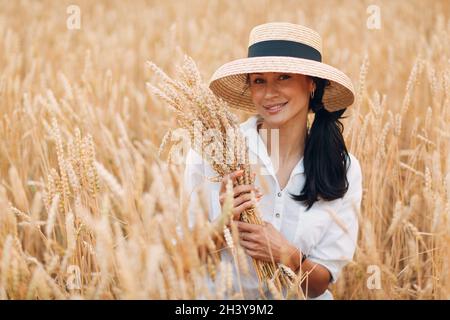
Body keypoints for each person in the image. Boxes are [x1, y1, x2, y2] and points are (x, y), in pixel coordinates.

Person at [184, 22, 363, 299]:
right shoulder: (212, 152)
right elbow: (183, 260)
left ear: (311, 84)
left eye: (283, 77)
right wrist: (222, 225)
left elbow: (320, 285)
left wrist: (287, 255)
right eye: (259, 80)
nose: (269, 93)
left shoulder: (343, 168)